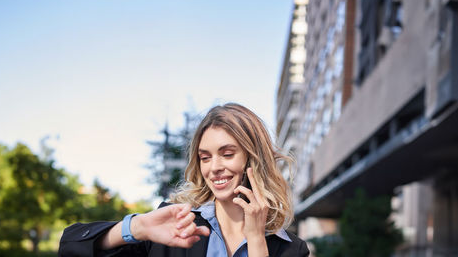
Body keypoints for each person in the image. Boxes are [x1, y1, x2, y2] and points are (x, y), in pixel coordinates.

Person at [59, 103, 309, 257]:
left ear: (254, 159)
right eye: (205, 157)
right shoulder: (175, 226)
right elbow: (71, 246)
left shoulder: (292, 250)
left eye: (227, 154)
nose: (215, 168)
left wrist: (256, 240)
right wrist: (137, 228)